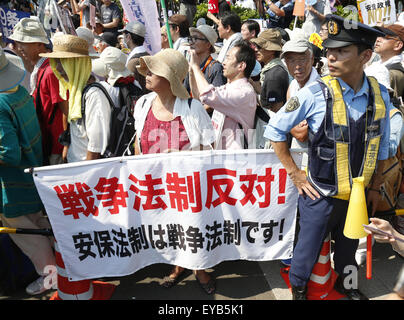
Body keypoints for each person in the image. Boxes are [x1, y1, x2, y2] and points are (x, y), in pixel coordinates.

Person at [264, 14, 391, 300]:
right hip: (320, 193)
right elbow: (275, 131)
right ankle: (299, 288)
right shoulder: (314, 94)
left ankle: (346, 286)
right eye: (329, 51)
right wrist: (295, 173)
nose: (330, 58)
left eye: (341, 51)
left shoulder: (380, 95)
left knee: (348, 247)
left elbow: (382, 145)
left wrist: (374, 186)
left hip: (357, 195)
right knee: (307, 248)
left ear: (365, 56)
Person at [133, 48, 215, 294]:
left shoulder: (193, 108)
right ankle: (178, 266)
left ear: (169, 79)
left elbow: (209, 149)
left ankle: (199, 269)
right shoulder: (143, 104)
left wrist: (179, 158)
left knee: (191, 227)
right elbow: (138, 141)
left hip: (186, 186)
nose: (146, 74)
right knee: (168, 228)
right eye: (147, 69)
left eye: (153, 71)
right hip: (154, 185)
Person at [0, 48, 56, 295]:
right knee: (39, 227)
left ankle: (51, 280)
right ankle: (59, 274)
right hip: (30, 175)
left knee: (31, 238)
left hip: (11, 189)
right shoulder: (19, 92)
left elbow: (8, 153)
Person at [40, 34, 109, 163]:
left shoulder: (93, 96)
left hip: (86, 170)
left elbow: (96, 146)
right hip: (75, 165)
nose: (58, 68)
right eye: (57, 62)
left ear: (78, 64)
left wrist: (86, 174)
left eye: (64, 62)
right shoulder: (75, 91)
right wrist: (67, 149)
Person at [9, 17, 68, 165]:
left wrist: (63, 146)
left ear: (39, 44)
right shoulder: (40, 68)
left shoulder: (50, 71)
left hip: (57, 147)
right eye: (18, 43)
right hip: (48, 144)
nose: (19, 48)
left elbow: (65, 111)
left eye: (24, 43)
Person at [189, 40, 257, 150]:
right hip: (221, 155)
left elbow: (207, 95)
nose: (223, 63)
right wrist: (192, 70)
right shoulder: (230, 87)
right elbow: (199, 97)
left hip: (235, 160)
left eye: (228, 58)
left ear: (241, 66)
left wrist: (196, 67)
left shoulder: (243, 93)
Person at [183, 24, 226, 112]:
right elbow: (185, 93)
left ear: (208, 45)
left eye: (196, 38)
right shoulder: (191, 64)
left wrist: (197, 112)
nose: (191, 42)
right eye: (191, 38)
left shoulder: (216, 67)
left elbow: (215, 103)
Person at [250, 29, 289, 112]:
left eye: (260, 46)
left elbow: (275, 109)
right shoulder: (272, 69)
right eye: (256, 46)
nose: (256, 49)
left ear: (271, 50)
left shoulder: (275, 74)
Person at [373, 23, 404, 103]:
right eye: (378, 35)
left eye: (384, 37)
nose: (378, 39)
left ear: (398, 45)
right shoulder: (375, 66)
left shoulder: (394, 73)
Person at [119, 21, 149, 94]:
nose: (123, 40)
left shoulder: (133, 62)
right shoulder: (148, 55)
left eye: (124, 36)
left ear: (128, 37)